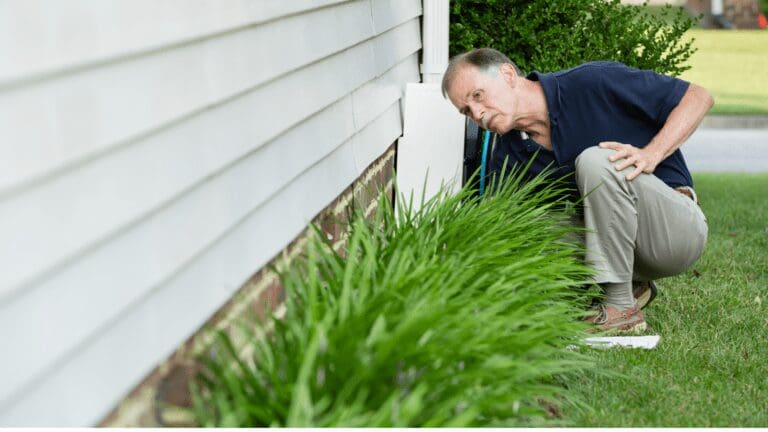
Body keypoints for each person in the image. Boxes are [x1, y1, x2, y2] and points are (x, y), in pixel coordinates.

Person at [442, 48, 712, 333]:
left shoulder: (593, 83)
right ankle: (623, 288)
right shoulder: (510, 157)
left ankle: (620, 308)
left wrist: (651, 154)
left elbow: (698, 97)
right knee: (514, 225)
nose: (478, 114)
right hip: (624, 247)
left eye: (478, 96)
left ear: (508, 74)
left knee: (596, 161)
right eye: (467, 111)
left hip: (675, 233)